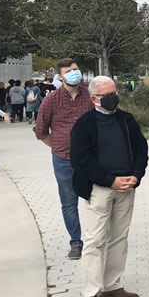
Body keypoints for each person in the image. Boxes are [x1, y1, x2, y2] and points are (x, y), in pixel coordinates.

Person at [69, 76, 148, 297]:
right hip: (99, 188)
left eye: (114, 92)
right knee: (94, 240)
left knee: (119, 238)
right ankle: (91, 294)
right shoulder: (84, 124)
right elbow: (81, 161)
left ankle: (112, 286)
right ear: (94, 98)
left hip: (127, 186)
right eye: (106, 95)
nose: (113, 98)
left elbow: (141, 149)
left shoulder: (126, 119)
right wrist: (109, 180)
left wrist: (136, 176)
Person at [34, 58, 95, 260]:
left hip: (91, 158)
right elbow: (41, 130)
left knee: (97, 199)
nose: (74, 73)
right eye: (69, 71)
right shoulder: (52, 100)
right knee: (69, 202)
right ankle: (75, 241)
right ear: (60, 76)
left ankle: (97, 238)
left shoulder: (91, 96)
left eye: (76, 69)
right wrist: (58, 146)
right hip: (64, 159)